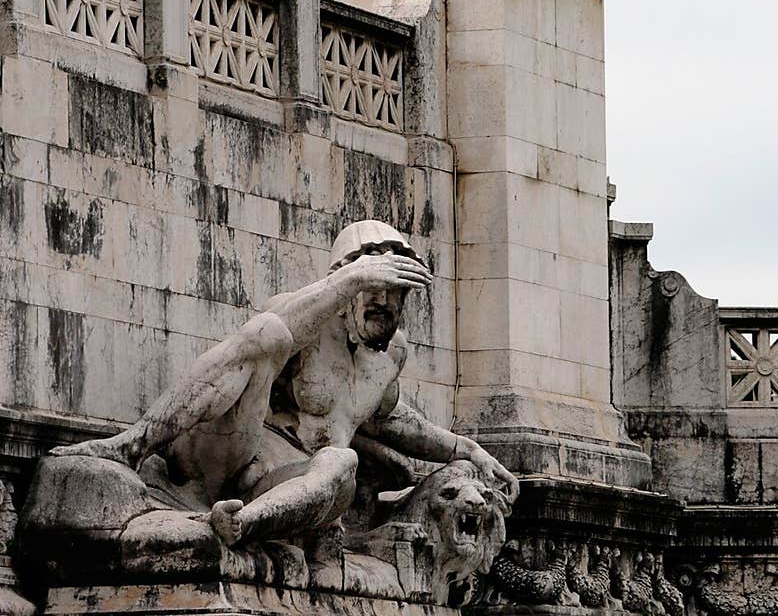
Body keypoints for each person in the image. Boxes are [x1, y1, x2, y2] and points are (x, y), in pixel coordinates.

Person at [56, 221, 517, 552]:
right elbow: (270, 333)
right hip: (234, 455)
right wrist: (350, 278)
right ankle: (129, 445)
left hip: (291, 488)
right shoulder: (308, 321)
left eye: (395, 294)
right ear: (345, 286)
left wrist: (466, 449)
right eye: (373, 290)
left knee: (341, 460)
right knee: (265, 334)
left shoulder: (391, 356)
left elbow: (392, 419)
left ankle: (241, 525)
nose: (385, 303)